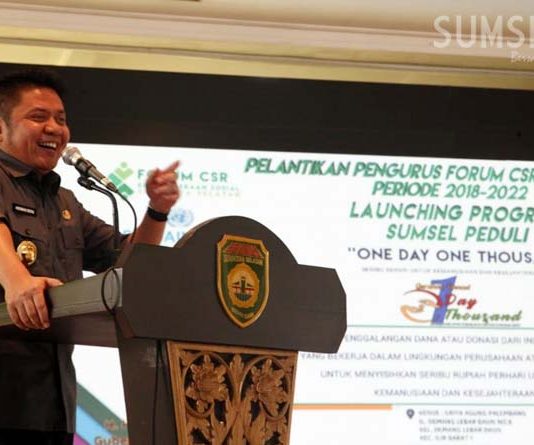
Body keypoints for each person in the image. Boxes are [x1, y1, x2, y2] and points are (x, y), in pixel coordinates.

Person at [0, 68, 180, 444]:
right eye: (38, 116)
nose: (54, 128)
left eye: (61, 119)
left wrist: (157, 210)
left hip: (51, 404)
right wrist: (16, 279)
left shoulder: (64, 201)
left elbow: (129, 261)